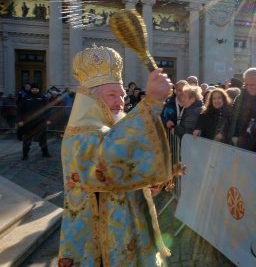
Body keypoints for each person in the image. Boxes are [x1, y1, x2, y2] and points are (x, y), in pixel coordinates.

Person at [58, 45, 179, 266]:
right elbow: (109, 160)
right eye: (112, 95)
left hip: (128, 227)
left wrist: (147, 180)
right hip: (101, 239)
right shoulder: (79, 133)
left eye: (122, 95)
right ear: (90, 98)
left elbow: (126, 163)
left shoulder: (113, 127)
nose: (120, 101)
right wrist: (151, 102)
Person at [17, 84, 51, 160]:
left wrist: (48, 119)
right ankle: (25, 155)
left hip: (40, 121)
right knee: (27, 139)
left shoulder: (43, 97)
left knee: (43, 138)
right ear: (31, 89)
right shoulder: (25, 98)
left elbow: (47, 109)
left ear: (39, 90)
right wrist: (20, 120)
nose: (35, 90)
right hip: (28, 122)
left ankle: (45, 153)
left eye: (36, 89)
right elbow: (20, 110)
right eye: (33, 89)